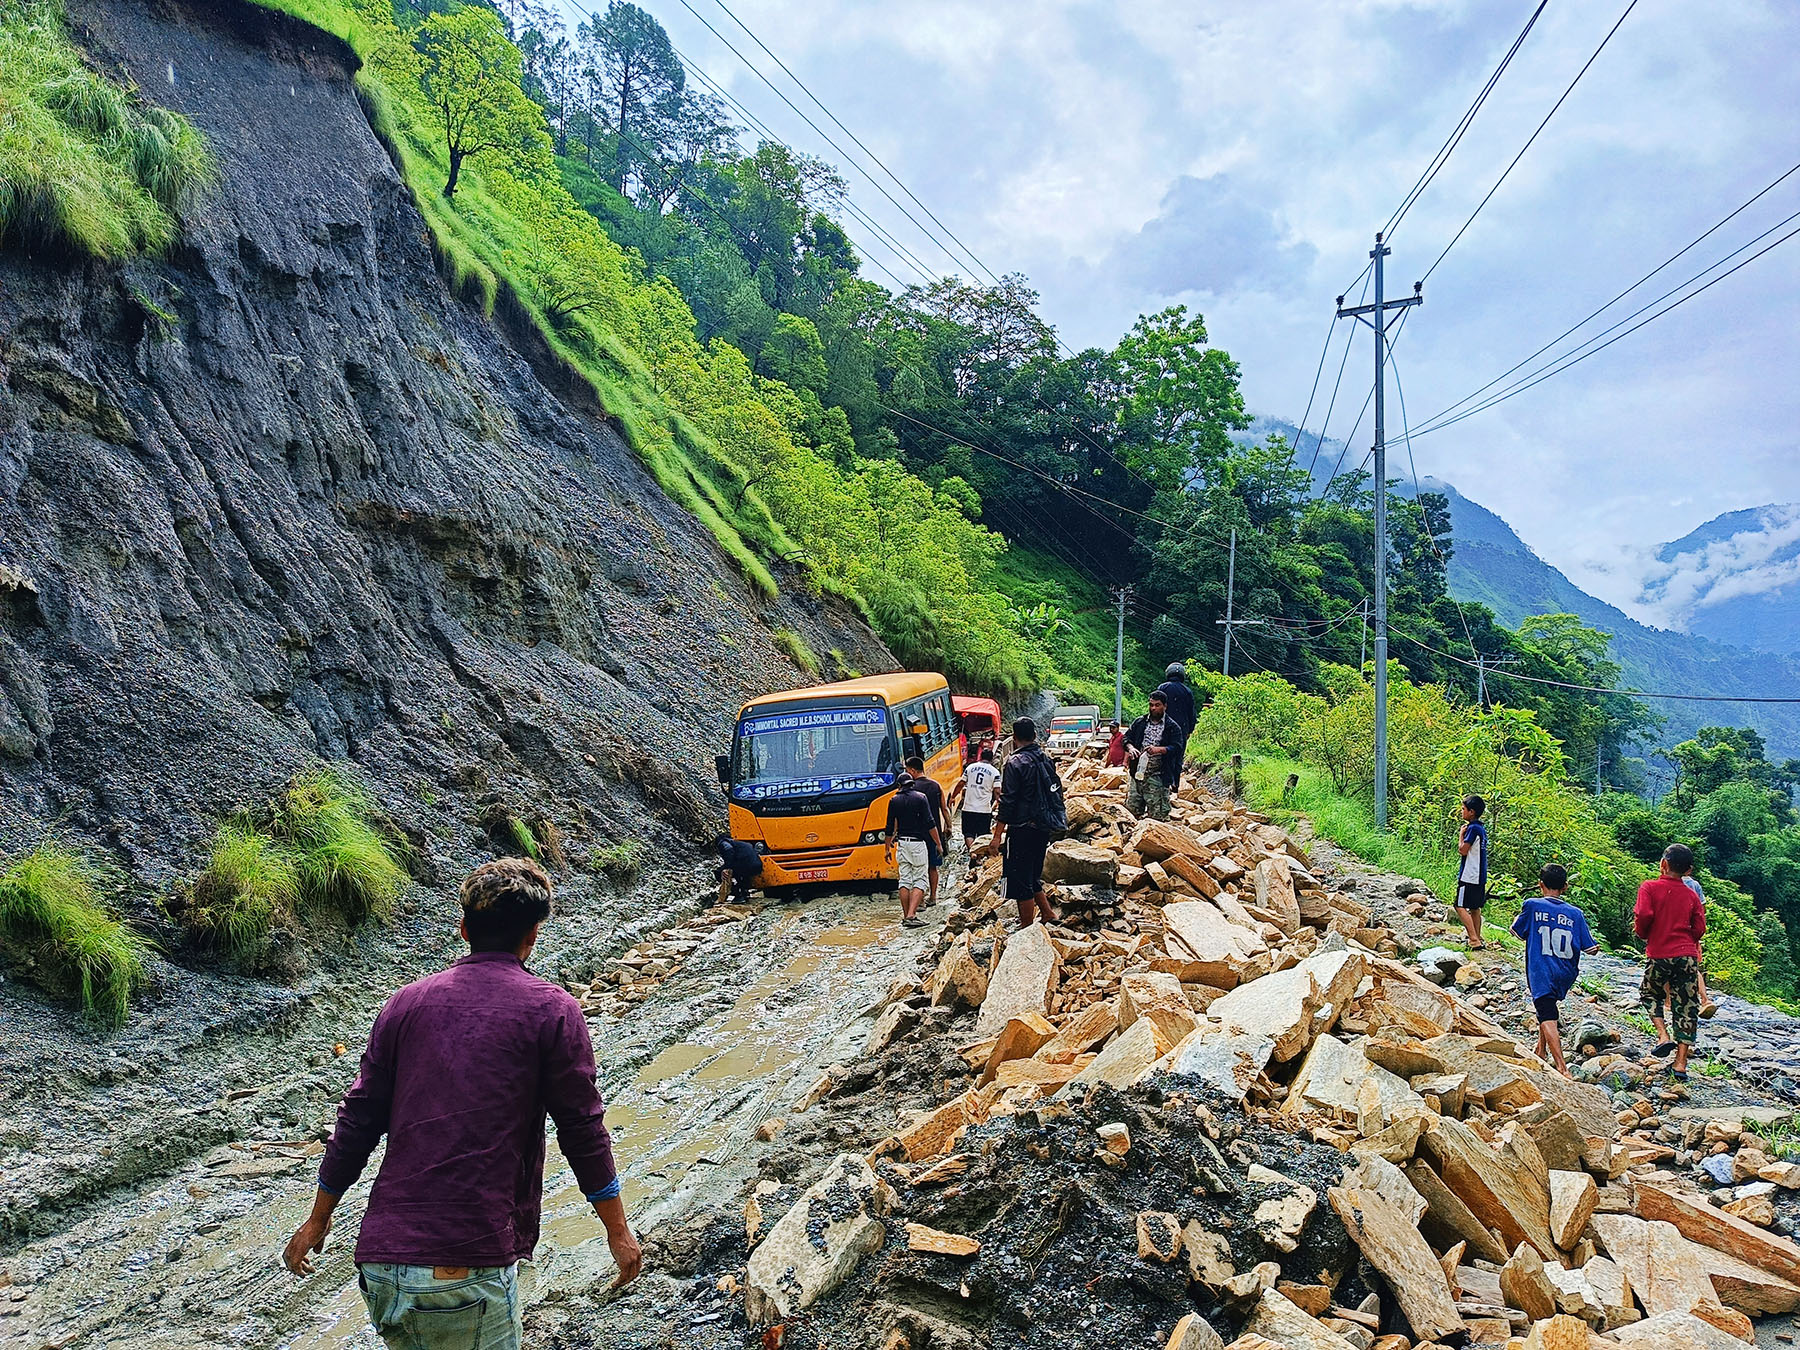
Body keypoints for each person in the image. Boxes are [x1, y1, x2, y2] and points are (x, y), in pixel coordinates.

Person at [282, 857, 642, 1348]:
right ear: (533, 935)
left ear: (464, 927)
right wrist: (618, 1232)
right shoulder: (551, 1009)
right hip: (467, 1262)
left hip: (383, 1265)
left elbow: (358, 1121)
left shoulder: (405, 1004)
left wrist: (318, 1218)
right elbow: (581, 1129)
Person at [1510, 863, 1599, 1077]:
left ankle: (1562, 1067)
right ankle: (1540, 1050)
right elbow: (1592, 949)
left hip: (1541, 970)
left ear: (1540, 884)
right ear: (1566, 887)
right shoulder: (1575, 914)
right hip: (1565, 972)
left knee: (1547, 1012)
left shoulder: (1531, 905)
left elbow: (1517, 932)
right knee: (1547, 1008)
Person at [1636, 843, 1708, 1080]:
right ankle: (1680, 1064)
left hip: (1659, 952)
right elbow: (1700, 927)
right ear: (1688, 870)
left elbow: (1644, 915)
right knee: (1687, 1004)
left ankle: (1663, 1035)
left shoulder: (1649, 887)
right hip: (1687, 955)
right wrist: (1688, 939)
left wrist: (1644, 933)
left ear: (1663, 864)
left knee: (1649, 993)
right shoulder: (1691, 894)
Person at [984, 716, 1063, 927]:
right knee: (1032, 874)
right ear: (1035, 735)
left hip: (1021, 828)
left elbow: (1008, 802)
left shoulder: (1015, 762)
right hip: (1043, 826)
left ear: (1014, 737)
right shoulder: (1045, 759)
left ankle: (1026, 928)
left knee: (1020, 880)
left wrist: (997, 835)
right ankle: (1047, 914)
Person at [885, 771, 939, 928]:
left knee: (905, 880)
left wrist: (887, 848)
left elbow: (889, 827)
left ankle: (905, 915)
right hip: (917, 844)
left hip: (902, 844)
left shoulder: (893, 800)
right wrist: (938, 843)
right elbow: (930, 823)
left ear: (900, 786)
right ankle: (911, 915)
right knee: (920, 879)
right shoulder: (921, 798)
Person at [1123, 691, 1187, 822]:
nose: (1153, 708)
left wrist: (1160, 750)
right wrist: (1131, 748)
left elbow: (1177, 747)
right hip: (1137, 773)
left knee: (1158, 817)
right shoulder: (1140, 722)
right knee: (1131, 814)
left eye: (1157, 705)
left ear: (1165, 706)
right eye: (1151, 705)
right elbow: (1126, 738)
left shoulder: (1172, 727)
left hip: (1158, 775)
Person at [905, 755, 952, 906]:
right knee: (933, 867)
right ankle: (933, 897)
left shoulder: (910, 788)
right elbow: (944, 809)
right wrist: (949, 826)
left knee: (918, 869)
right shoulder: (935, 786)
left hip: (916, 835)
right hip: (934, 833)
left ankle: (921, 900)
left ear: (912, 770)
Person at [1679, 871, 1721, 1019]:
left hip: (1671, 931)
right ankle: (1705, 1000)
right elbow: (1701, 911)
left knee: (1667, 966)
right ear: (1689, 869)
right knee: (1693, 968)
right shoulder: (1694, 885)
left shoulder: (1665, 884)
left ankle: (1668, 1003)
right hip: (1690, 932)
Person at [1454, 794, 1489, 949]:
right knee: (1475, 907)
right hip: (1480, 875)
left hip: (1469, 875)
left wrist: (1461, 835)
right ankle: (1478, 936)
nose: (1462, 812)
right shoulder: (1481, 829)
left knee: (1459, 906)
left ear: (1472, 812)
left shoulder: (1472, 829)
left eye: (1464, 809)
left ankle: (1473, 939)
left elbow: (1463, 850)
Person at [958, 746, 1001, 853]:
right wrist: (1000, 805)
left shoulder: (970, 768)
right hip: (984, 810)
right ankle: (979, 855)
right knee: (983, 835)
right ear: (992, 759)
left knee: (968, 833)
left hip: (968, 808)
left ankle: (972, 852)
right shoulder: (995, 772)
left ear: (980, 756)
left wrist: (953, 797)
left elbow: (961, 783)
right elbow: (997, 792)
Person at [1154, 663, 1197, 756]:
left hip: (1163, 727)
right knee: (1178, 755)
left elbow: (1155, 708)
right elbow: (1191, 713)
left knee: (1162, 756)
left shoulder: (1162, 688)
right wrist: (1190, 730)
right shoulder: (1187, 691)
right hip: (1182, 729)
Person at [714, 833, 761, 906]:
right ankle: (744, 893)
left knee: (718, 873)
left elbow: (729, 850)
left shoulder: (723, 842)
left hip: (745, 864)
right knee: (740, 874)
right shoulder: (740, 844)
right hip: (757, 865)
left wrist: (726, 868)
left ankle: (738, 894)